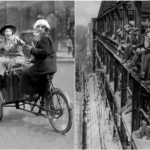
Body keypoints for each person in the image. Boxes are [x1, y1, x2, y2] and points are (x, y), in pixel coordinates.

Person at [19, 19, 57, 98]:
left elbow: (44, 52)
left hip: (44, 67)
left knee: (25, 73)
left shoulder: (43, 38)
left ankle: (31, 95)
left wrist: (31, 49)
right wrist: (32, 60)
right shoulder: (48, 36)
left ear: (46, 28)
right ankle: (46, 100)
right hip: (51, 67)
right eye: (38, 27)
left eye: (42, 27)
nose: (39, 29)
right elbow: (46, 54)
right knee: (41, 82)